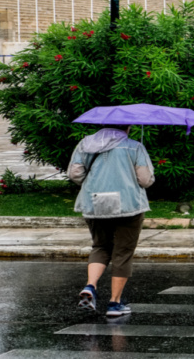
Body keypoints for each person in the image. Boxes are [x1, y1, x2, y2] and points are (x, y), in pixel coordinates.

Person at [68, 125, 155, 316]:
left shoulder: (85, 144)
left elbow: (75, 174)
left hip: (95, 202)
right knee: (123, 252)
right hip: (129, 205)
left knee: (100, 246)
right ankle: (115, 303)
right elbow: (145, 180)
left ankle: (91, 286)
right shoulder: (134, 147)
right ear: (128, 127)